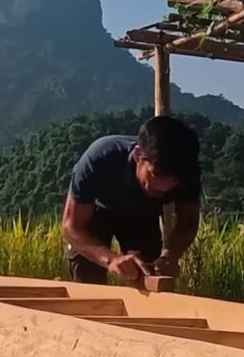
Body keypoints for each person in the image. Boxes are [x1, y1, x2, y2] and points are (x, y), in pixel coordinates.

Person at [60, 115, 201, 285]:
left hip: (143, 216)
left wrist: (171, 255)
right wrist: (110, 259)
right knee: (87, 274)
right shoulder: (100, 158)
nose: (163, 187)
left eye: (173, 181)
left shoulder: (187, 174)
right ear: (137, 155)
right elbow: (71, 227)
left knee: (148, 273)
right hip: (97, 214)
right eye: (155, 175)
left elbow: (188, 223)